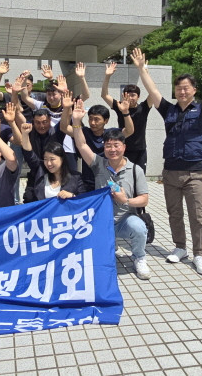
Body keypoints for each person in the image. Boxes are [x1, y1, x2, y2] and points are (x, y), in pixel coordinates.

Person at [131, 44, 202, 276]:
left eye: (186, 88)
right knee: (174, 213)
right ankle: (180, 247)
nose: (182, 92)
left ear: (194, 90)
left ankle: (200, 254)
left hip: (194, 171)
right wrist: (142, 69)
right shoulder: (169, 110)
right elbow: (153, 91)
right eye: (179, 88)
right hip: (171, 172)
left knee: (197, 215)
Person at [71, 99, 151, 280]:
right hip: (99, 221)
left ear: (124, 147)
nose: (112, 149)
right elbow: (82, 145)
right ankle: (105, 248)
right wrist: (76, 121)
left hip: (123, 220)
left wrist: (126, 201)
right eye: (108, 146)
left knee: (138, 227)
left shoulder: (135, 169)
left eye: (116, 145)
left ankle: (139, 257)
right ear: (104, 147)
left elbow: (144, 199)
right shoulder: (98, 164)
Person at [61, 91, 134, 190]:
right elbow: (64, 128)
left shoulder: (111, 134)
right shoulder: (83, 132)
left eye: (96, 119)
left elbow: (129, 131)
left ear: (106, 121)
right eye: (90, 119)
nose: (92, 122)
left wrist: (125, 112)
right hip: (87, 182)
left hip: (108, 181)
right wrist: (66, 109)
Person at [101, 62, 152, 172]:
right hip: (123, 149)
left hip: (140, 150)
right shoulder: (120, 106)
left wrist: (145, 71)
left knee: (139, 178)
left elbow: (152, 92)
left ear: (138, 96)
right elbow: (104, 95)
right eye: (127, 95)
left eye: (133, 95)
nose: (130, 98)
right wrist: (107, 76)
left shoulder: (144, 107)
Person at [19, 122, 85, 201]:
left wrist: (72, 195)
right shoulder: (40, 172)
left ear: (62, 158)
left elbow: (83, 202)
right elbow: (29, 154)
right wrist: (25, 134)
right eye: (45, 159)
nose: (48, 163)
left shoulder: (76, 178)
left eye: (52, 159)